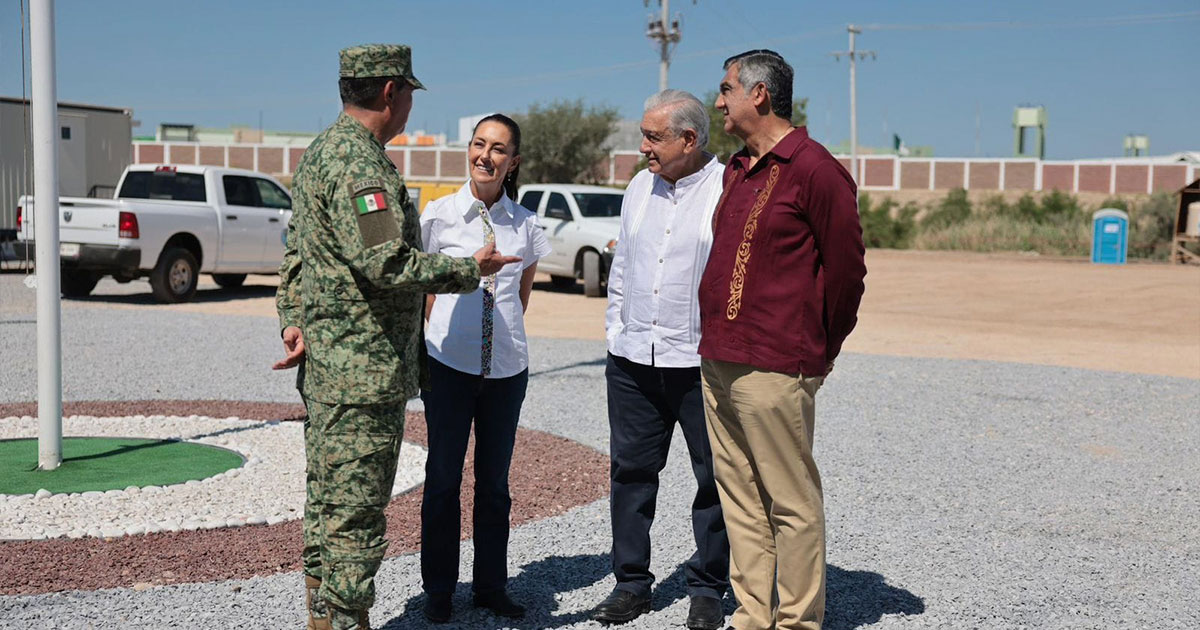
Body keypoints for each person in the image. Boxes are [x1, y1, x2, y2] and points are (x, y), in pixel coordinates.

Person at [273, 44, 521, 630]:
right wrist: (468, 271)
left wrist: (293, 318)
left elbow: (296, 259)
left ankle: (322, 615)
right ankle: (346, 619)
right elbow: (386, 262)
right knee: (356, 513)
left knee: (327, 503)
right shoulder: (362, 167)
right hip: (363, 371)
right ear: (390, 93)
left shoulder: (319, 154)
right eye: (409, 93)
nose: (409, 104)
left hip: (331, 365)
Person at [697, 50, 867, 630]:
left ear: (759, 94)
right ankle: (751, 615)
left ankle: (797, 621)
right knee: (741, 499)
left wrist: (821, 351)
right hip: (718, 358)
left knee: (790, 502)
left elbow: (847, 272)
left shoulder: (816, 169)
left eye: (726, 90)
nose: (719, 101)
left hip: (776, 363)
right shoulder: (738, 168)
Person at [591, 89, 729, 630]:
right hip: (632, 362)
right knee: (630, 473)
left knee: (714, 477)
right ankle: (631, 584)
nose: (642, 146)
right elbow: (622, 265)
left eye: (653, 136)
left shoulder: (725, 188)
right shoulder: (638, 187)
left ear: (689, 139)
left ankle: (707, 587)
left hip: (699, 364)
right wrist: (615, 332)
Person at [415, 113, 551, 623]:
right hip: (448, 366)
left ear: (512, 161)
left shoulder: (526, 224)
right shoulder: (438, 215)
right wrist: (444, 337)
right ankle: (439, 591)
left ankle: (491, 586)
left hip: (506, 373)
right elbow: (426, 288)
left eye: (498, 149)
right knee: (443, 478)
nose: (485, 156)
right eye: (478, 144)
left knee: (494, 484)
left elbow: (521, 295)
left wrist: (496, 346)